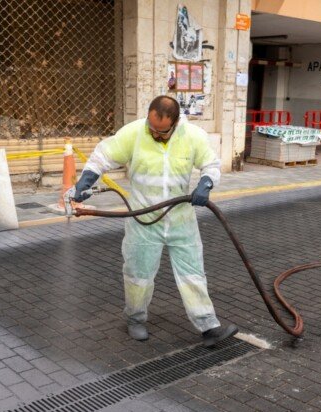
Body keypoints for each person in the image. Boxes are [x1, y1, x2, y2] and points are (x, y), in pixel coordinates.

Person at [72, 95, 238, 346]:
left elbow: (211, 164)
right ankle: (135, 319)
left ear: (175, 123)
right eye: (152, 128)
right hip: (143, 221)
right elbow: (102, 157)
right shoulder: (134, 133)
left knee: (193, 273)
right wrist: (85, 182)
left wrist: (206, 183)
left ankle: (208, 326)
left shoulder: (192, 136)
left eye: (162, 132)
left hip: (181, 221)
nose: (155, 134)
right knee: (139, 274)